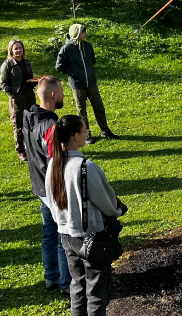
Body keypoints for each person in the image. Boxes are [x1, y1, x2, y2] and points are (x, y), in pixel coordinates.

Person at [44, 115, 127, 316]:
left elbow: (50, 201)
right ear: (74, 136)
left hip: (66, 236)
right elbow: (107, 202)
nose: (85, 135)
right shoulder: (85, 167)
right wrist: (118, 211)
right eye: (84, 131)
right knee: (96, 292)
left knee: (77, 287)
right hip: (92, 237)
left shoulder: (54, 164)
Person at [22, 76, 72, 297]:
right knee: (62, 236)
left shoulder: (28, 117)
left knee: (48, 234)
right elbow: (56, 161)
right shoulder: (51, 126)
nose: (63, 95)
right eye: (61, 91)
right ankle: (65, 283)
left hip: (39, 187)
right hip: (53, 190)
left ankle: (50, 278)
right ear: (53, 95)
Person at [56, 23, 119, 143]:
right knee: (82, 111)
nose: (85, 34)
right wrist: (72, 73)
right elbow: (59, 66)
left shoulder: (88, 46)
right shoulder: (66, 49)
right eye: (82, 32)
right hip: (78, 84)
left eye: (85, 32)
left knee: (99, 106)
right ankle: (86, 134)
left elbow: (92, 61)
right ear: (76, 34)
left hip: (91, 83)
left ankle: (105, 131)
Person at [0, 38, 36, 161]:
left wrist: (37, 81)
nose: (18, 50)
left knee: (32, 121)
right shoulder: (7, 64)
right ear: (11, 50)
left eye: (20, 48)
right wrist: (12, 95)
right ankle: (20, 150)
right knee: (19, 124)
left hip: (30, 96)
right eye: (16, 48)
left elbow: (30, 78)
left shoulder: (26, 62)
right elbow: (3, 83)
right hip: (17, 98)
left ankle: (31, 146)